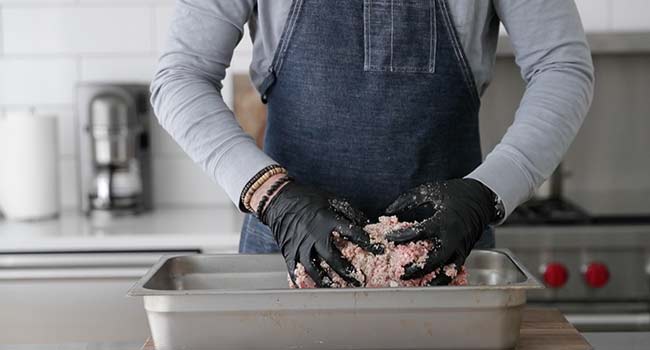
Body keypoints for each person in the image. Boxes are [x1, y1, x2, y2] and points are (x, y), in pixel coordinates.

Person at [151, 0, 594, 287]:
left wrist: (489, 191)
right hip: (289, 260)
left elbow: (562, 67)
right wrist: (272, 196)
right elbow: (180, 78)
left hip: (446, 260)